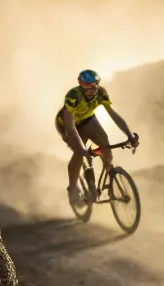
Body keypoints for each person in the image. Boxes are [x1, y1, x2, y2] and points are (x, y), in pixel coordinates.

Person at [55, 69, 137, 202]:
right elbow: (70, 128)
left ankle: (110, 175)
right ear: (81, 86)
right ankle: (73, 188)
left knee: (105, 144)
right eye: (87, 85)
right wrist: (81, 149)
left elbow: (114, 115)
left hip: (88, 119)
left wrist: (130, 135)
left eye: (94, 85)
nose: (92, 89)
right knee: (79, 153)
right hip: (67, 125)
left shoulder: (101, 93)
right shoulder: (73, 96)